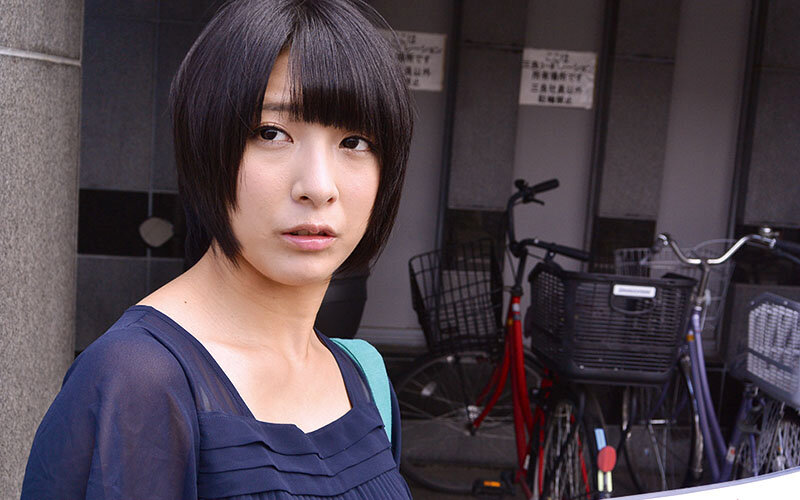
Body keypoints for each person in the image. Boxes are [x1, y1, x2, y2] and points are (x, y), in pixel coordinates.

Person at [21, 0, 414, 498]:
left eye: (355, 142)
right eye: (271, 133)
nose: (318, 187)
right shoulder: (137, 381)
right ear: (204, 146)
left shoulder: (363, 375)